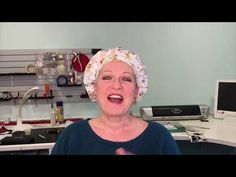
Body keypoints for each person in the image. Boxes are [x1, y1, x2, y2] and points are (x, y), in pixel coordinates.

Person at [51, 47, 180, 155]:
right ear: (94, 87)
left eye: (126, 79)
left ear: (137, 90)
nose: (116, 85)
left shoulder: (159, 137)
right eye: (107, 77)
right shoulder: (72, 136)